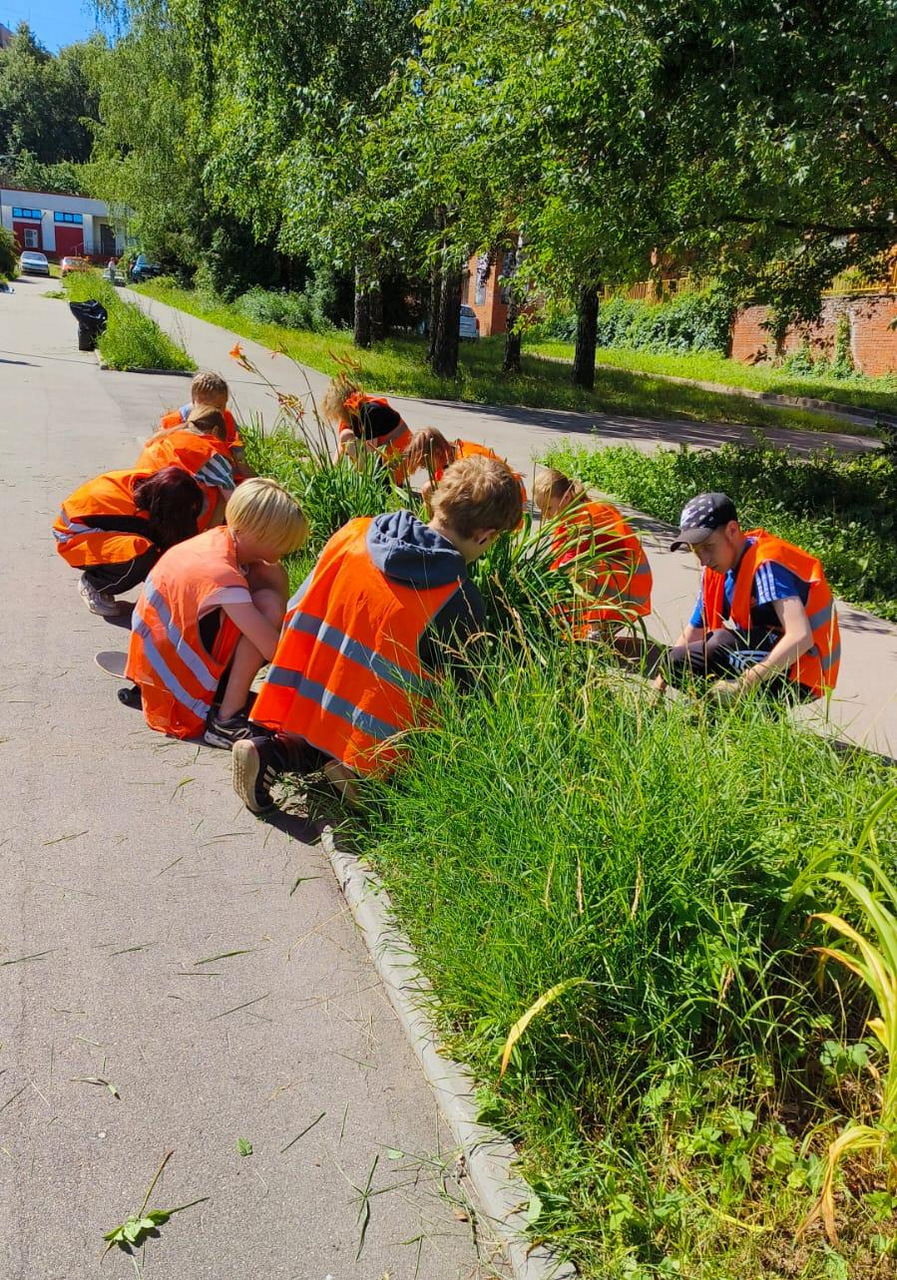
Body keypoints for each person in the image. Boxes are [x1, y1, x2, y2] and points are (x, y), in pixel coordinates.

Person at [232, 455, 523, 814]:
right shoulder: (456, 597)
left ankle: (270, 751)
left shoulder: (355, 532)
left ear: (432, 497)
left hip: (309, 700)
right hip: (370, 737)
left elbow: (298, 605)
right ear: (486, 535)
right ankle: (365, 779)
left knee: (306, 737)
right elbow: (469, 693)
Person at [126, 477, 308, 747]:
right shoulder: (224, 575)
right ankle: (226, 720)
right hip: (177, 693)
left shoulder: (217, 540)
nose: (286, 551)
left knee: (269, 578)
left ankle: (225, 694)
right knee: (267, 605)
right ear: (262, 534)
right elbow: (272, 649)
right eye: (283, 542)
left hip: (154, 667)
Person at [657, 492, 840, 702]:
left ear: (732, 530)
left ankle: (741, 705)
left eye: (708, 547)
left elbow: (801, 637)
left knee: (718, 644)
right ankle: (721, 713)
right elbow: (693, 633)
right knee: (677, 659)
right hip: (773, 658)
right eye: (695, 551)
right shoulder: (716, 571)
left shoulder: (766, 565)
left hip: (805, 671)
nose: (703, 560)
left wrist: (743, 685)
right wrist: (660, 683)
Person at [54, 466, 204, 617]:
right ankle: (94, 584)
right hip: (72, 537)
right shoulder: (134, 517)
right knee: (142, 553)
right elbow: (163, 552)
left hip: (93, 521)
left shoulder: (153, 484)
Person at [533, 467, 652, 638]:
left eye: (548, 508)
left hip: (630, 590)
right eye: (541, 510)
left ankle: (596, 629)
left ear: (566, 498)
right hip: (623, 584)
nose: (547, 517)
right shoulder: (573, 514)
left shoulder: (586, 518)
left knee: (580, 570)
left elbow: (566, 568)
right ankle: (594, 626)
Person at [135, 406, 238, 530]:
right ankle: (206, 539)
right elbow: (237, 504)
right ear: (215, 431)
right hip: (179, 527)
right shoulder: (210, 454)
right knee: (222, 490)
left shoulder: (159, 442)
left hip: (141, 515)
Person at [158, 370, 254, 478]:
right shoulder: (173, 422)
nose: (216, 413)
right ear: (194, 400)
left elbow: (239, 456)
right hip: (183, 478)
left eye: (220, 407)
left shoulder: (226, 417)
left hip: (221, 473)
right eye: (208, 407)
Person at [401, 427, 527, 507]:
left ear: (438, 452)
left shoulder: (467, 460)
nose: (426, 468)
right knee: (430, 489)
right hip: (489, 493)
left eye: (425, 463)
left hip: (508, 494)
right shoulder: (447, 458)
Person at [322, 374, 412, 483]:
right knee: (346, 435)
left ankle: (366, 483)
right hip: (385, 461)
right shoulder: (352, 412)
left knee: (347, 436)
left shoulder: (370, 412)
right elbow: (342, 446)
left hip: (394, 465)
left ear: (342, 406)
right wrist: (330, 473)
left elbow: (369, 454)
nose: (339, 418)